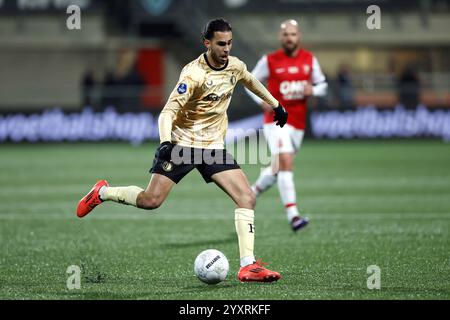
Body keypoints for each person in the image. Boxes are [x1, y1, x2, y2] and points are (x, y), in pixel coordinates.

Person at [76, 18, 288, 283]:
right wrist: (166, 142)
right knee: (150, 201)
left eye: (230, 43)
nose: (227, 49)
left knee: (246, 197)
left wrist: (275, 104)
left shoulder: (235, 66)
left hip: (212, 147)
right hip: (182, 145)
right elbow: (167, 112)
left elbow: (250, 80)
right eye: (221, 44)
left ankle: (248, 266)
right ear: (207, 43)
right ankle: (103, 192)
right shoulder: (193, 74)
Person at [246, 19, 328, 232]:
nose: (289, 38)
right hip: (276, 121)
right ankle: (294, 216)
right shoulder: (270, 60)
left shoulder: (309, 59)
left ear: (298, 36)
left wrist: (314, 91)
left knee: (278, 168)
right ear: (280, 37)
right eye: (285, 34)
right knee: (286, 163)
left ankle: (252, 193)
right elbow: (248, 81)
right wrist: (260, 100)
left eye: (292, 34)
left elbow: (323, 85)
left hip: (298, 124)